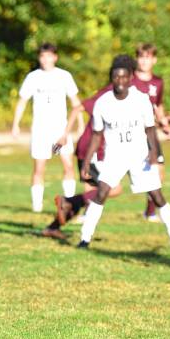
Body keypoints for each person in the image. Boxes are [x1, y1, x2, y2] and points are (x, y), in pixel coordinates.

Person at [77, 54, 170, 249]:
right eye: (116, 77)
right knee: (101, 193)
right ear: (111, 78)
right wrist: (86, 161)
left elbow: (150, 129)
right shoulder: (103, 103)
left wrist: (153, 152)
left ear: (130, 78)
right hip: (114, 157)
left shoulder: (140, 100)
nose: (120, 81)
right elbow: (96, 135)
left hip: (139, 155)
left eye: (124, 77)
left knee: (156, 195)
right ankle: (85, 238)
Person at [41, 80, 124, 238]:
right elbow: (79, 107)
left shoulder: (129, 95)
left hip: (95, 150)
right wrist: (65, 134)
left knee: (91, 195)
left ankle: (53, 227)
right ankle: (69, 201)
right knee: (113, 188)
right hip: (92, 149)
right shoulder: (108, 93)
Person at [12, 43, 83, 212]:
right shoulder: (33, 77)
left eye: (49, 55)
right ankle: (37, 206)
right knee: (39, 168)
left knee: (68, 165)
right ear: (39, 58)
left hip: (60, 130)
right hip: (41, 130)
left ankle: (69, 203)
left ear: (55, 57)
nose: (46, 59)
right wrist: (15, 124)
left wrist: (81, 124)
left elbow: (75, 103)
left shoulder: (64, 76)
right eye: (42, 56)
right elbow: (22, 101)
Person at [132, 43, 170, 222]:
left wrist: (164, 122)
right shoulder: (128, 80)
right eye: (141, 57)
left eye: (148, 57)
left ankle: (149, 212)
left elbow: (157, 106)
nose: (144, 60)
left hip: (150, 134)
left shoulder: (158, 82)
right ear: (137, 59)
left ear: (154, 60)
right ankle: (89, 207)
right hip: (132, 133)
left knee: (158, 172)